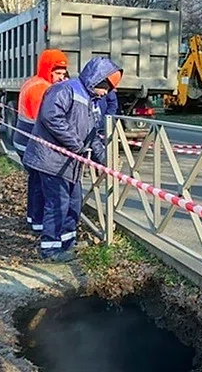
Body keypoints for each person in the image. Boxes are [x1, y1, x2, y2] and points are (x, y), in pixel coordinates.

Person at [23, 57, 122, 261]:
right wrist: (76, 144)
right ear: (97, 81)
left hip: (69, 163)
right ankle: (50, 249)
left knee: (73, 203)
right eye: (106, 88)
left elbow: (92, 135)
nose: (106, 94)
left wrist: (105, 162)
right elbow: (51, 117)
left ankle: (67, 242)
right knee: (57, 203)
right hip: (51, 161)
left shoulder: (92, 101)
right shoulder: (65, 90)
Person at [13, 49, 69, 233]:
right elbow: (47, 121)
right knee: (42, 185)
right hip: (32, 143)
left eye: (63, 73)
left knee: (35, 182)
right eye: (58, 73)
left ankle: (33, 219)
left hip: (24, 140)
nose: (61, 77)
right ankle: (39, 223)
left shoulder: (34, 81)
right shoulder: (41, 89)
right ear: (48, 70)